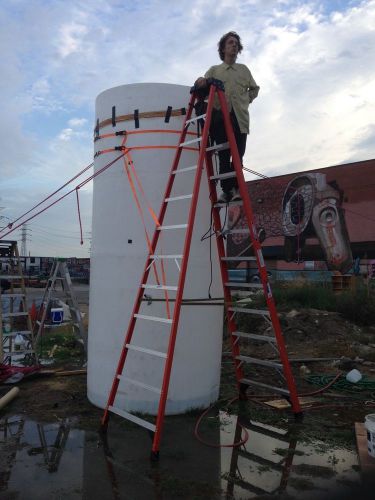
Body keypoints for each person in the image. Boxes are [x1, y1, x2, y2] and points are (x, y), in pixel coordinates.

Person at [195, 31, 259, 202]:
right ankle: (226, 190)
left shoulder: (244, 70)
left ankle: (237, 188)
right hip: (220, 119)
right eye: (230, 42)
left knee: (238, 155)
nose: (234, 45)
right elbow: (202, 85)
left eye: (236, 43)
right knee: (223, 154)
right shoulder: (214, 70)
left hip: (240, 118)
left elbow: (255, 89)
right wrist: (201, 80)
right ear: (223, 48)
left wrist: (246, 100)